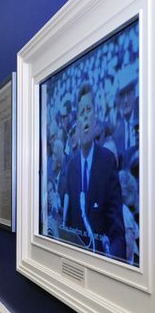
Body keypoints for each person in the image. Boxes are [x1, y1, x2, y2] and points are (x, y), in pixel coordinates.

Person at [63, 82, 126, 259]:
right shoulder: (72, 167)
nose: (85, 117)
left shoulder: (107, 161)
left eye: (88, 110)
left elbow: (117, 231)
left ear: (95, 117)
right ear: (76, 122)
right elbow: (68, 226)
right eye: (81, 112)